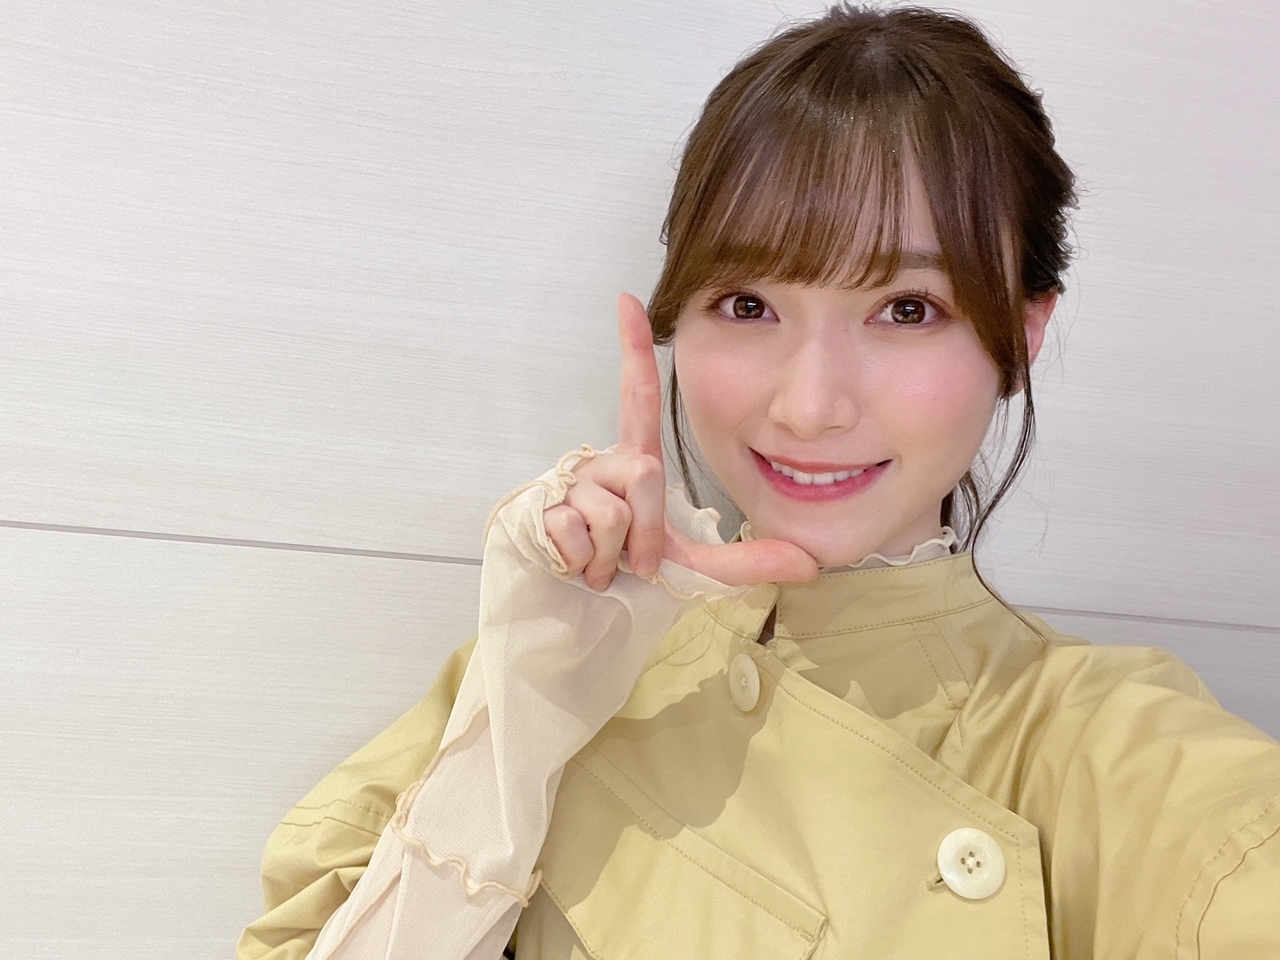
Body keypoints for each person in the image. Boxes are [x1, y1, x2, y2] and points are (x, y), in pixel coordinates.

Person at [238, 5, 1280, 958]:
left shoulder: (1104, 749)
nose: (808, 405)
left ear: (1020, 331)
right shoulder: (555, 656)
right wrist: (523, 722)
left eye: (906, 309)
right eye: (747, 304)